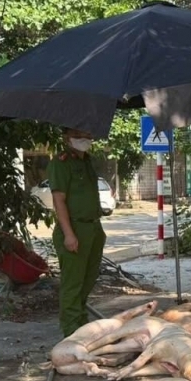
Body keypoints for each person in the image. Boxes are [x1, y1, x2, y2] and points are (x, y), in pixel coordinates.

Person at [49, 128, 107, 337]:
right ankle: (71, 332)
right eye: (79, 134)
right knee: (73, 284)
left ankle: (81, 325)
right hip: (74, 229)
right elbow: (59, 200)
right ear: (67, 137)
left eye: (88, 134)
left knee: (88, 279)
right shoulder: (61, 163)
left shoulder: (87, 161)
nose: (85, 138)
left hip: (93, 227)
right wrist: (69, 234)